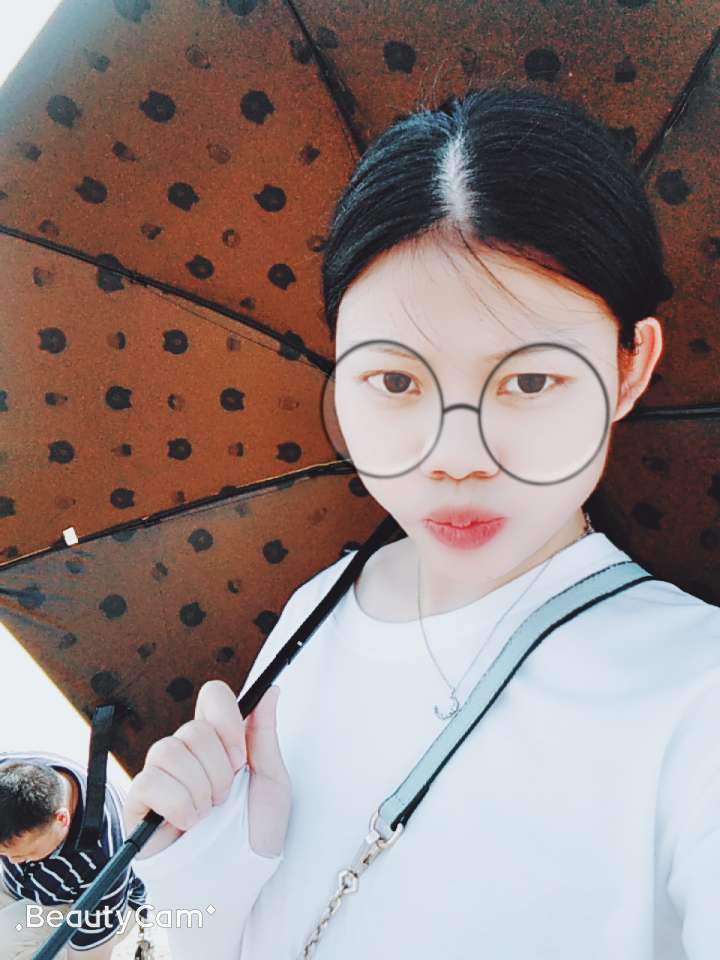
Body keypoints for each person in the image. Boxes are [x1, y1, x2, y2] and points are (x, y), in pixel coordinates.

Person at [123, 84, 720, 959]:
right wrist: (198, 880)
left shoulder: (696, 692)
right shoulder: (318, 610)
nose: (456, 455)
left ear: (630, 367)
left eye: (530, 381)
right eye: (396, 381)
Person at [0, 751, 146, 959]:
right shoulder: (8, 772)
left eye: (26, 853)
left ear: (61, 819)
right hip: (27, 884)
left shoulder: (105, 861)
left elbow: (91, 955)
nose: (13, 860)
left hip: (86, 903)